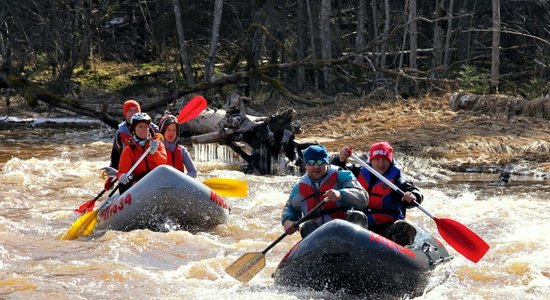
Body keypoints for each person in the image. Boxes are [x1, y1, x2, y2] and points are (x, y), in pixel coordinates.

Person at [332, 142, 423, 246]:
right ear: (371, 160)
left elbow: (413, 191)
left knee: (402, 228)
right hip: (361, 224)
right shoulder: (358, 172)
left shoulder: (398, 178)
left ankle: (396, 255)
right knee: (353, 217)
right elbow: (333, 173)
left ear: (390, 160)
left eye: (384, 160)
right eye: (377, 160)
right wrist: (340, 160)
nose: (381, 164)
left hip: (386, 225)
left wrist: (413, 196)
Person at [281, 145, 369, 238]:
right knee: (307, 226)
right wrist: (288, 221)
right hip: (319, 237)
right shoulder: (299, 188)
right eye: (311, 162)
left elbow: (364, 198)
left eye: (320, 162)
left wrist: (341, 194)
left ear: (326, 162)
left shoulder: (341, 175)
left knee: (358, 216)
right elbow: (290, 208)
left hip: (345, 231)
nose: (316, 166)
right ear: (306, 165)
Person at [105, 100, 159, 190]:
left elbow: (163, 152)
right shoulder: (120, 133)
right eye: (130, 111)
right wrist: (110, 178)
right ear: (125, 114)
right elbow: (115, 158)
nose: (133, 113)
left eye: (136, 110)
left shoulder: (152, 129)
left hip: (150, 172)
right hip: (130, 174)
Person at [116, 112, 167, 193]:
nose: (143, 129)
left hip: (157, 179)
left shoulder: (157, 144)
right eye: (140, 127)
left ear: (149, 129)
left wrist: (154, 153)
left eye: (145, 127)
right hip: (140, 183)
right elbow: (122, 171)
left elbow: (164, 163)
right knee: (124, 185)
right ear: (134, 129)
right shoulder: (129, 149)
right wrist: (121, 176)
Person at [157, 113, 198, 178]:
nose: (171, 133)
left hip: (180, 185)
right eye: (168, 130)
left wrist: (183, 180)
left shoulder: (182, 150)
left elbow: (193, 172)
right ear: (163, 131)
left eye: (174, 130)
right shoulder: (157, 149)